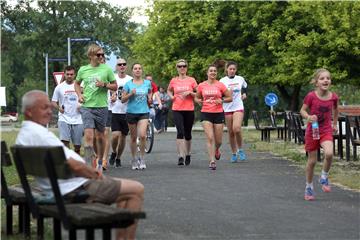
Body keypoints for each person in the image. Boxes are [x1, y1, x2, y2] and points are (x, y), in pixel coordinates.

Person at [17, 90, 144, 240]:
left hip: (59, 187)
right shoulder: (39, 134)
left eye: (50, 107)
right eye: (44, 107)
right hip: (73, 189)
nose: (50, 111)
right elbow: (73, 165)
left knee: (124, 192)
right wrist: (95, 174)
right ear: (30, 112)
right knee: (136, 189)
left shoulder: (25, 134)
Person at [74, 44, 117, 170]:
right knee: (88, 136)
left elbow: (115, 86)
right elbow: (77, 84)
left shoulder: (106, 69)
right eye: (99, 55)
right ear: (91, 56)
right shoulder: (83, 70)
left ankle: (99, 159)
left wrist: (104, 84)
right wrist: (79, 94)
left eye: (103, 55)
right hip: (87, 106)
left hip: (102, 107)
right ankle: (88, 165)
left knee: (100, 136)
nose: (101, 57)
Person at [300, 68, 339, 201]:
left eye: (328, 78)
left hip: (326, 130)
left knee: (329, 153)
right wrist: (308, 117)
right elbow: (303, 110)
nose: (325, 80)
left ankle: (324, 176)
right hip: (313, 131)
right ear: (316, 82)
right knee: (312, 161)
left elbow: (336, 109)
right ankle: (309, 187)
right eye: (322, 78)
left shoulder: (333, 97)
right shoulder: (311, 96)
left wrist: (334, 124)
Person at [195, 65, 232, 170]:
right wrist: (199, 101)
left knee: (219, 141)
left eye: (215, 71)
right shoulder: (202, 85)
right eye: (211, 71)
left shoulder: (220, 85)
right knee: (210, 137)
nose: (213, 72)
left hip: (218, 113)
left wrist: (222, 100)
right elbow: (197, 97)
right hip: (206, 113)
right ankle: (212, 161)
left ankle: (216, 149)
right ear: (207, 73)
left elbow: (230, 97)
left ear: (216, 73)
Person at [121, 63, 152, 170]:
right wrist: (130, 94)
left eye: (139, 68)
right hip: (131, 113)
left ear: (142, 71)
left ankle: (142, 158)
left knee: (143, 135)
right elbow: (122, 99)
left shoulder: (147, 83)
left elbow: (150, 92)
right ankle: (134, 159)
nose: (138, 70)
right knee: (133, 137)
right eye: (135, 69)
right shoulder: (128, 84)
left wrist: (150, 98)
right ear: (132, 71)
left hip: (144, 112)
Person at [167, 59, 198, 166]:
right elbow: (169, 90)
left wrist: (190, 92)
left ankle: (188, 154)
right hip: (177, 109)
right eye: (180, 66)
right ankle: (180, 156)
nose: (182, 68)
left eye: (184, 66)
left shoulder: (191, 80)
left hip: (189, 109)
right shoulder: (174, 80)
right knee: (180, 132)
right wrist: (172, 97)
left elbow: (198, 93)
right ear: (177, 68)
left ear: (187, 67)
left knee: (188, 133)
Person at [220, 61, 248, 163]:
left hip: (238, 106)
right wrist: (227, 95)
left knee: (236, 128)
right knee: (231, 132)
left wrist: (244, 94)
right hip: (227, 108)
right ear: (226, 70)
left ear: (236, 70)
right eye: (230, 69)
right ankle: (234, 153)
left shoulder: (240, 79)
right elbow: (219, 94)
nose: (232, 71)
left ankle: (240, 150)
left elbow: (245, 87)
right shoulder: (222, 81)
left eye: (234, 69)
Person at [51, 66, 83, 155]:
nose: (69, 76)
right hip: (64, 118)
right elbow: (53, 102)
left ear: (75, 75)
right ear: (64, 75)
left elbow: (86, 99)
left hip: (78, 118)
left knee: (77, 144)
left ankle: (76, 153)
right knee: (64, 141)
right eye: (67, 74)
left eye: (71, 74)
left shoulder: (80, 86)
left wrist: (82, 105)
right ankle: (69, 160)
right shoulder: (59, 87)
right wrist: (59, 108)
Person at [108, 58, 132, 168]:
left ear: (126, 66)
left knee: (123, 137)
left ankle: (118, 158)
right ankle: (113, 152)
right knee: (115, 135)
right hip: (114, 110)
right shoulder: (112, 79)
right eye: (119, 64)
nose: (122, 66)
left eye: (124, 64)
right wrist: (111, 99)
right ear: (116, 67)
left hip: (127, 111)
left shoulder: (130, 80)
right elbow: (107, 93)